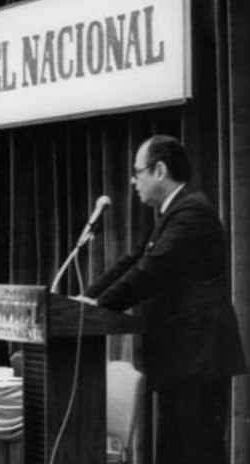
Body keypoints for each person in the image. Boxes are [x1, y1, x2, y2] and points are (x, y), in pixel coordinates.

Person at [78, 135, 246, 464]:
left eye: (137, 171)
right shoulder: (171, 214)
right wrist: (85, 298)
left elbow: (150, 272)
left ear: (159, 170)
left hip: (199, 358)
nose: (132, 179)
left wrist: (98, 307)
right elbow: (133, 260)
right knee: (176, 450)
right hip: (181, 358)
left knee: (200, 452)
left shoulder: (191, 212)